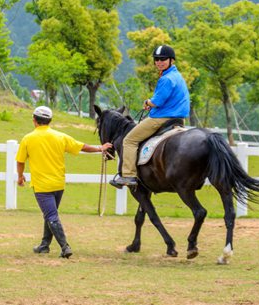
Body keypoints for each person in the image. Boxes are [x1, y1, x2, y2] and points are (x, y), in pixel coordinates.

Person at [16, 105, 112, 258]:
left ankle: (65, 247)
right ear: (50, 120)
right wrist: (100, 148)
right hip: (59, 184)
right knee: (49, 213)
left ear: (34, 120)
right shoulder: (60, 136)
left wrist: (20, 176)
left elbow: (20, 161)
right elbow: (81, 146)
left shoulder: (28, 139)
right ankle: (44, 245)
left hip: (42, 186)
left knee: (51, 215)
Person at [111, 44, 190, 188]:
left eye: (163, 59)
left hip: (161, 118)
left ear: (172, 60)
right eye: (157, 59)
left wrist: (148, 102)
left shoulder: (166, 79)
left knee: (129, 140)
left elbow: (157, 101)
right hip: (179, 119)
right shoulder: (177, 76)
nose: (159, 62)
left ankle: (128, 176)